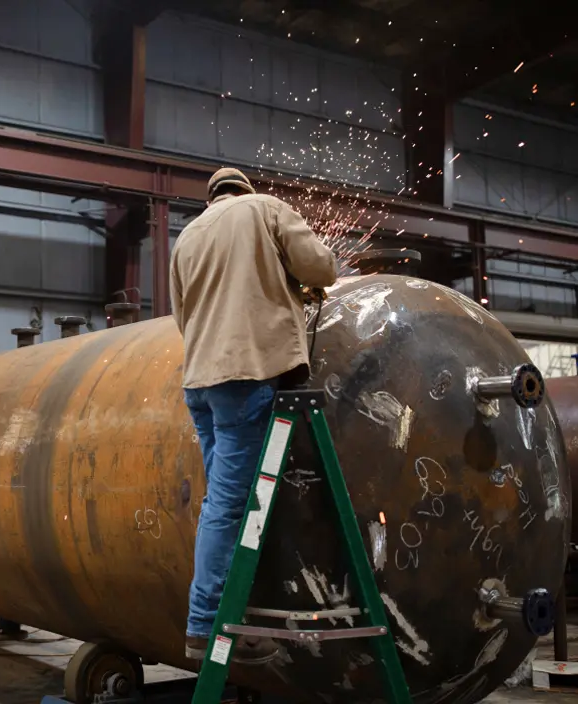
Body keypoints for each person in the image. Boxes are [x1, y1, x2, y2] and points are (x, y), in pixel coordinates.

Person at [170, 167, 338, 661]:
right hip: (244, 377)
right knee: (229, 505)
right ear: (244, 189)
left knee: (222, 504)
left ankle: (226, 609)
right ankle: (207, 626)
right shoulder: (263, 209)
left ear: (213, 196)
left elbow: (184, 316)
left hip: (200, 380)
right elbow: (321, 268)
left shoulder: (189, 235)